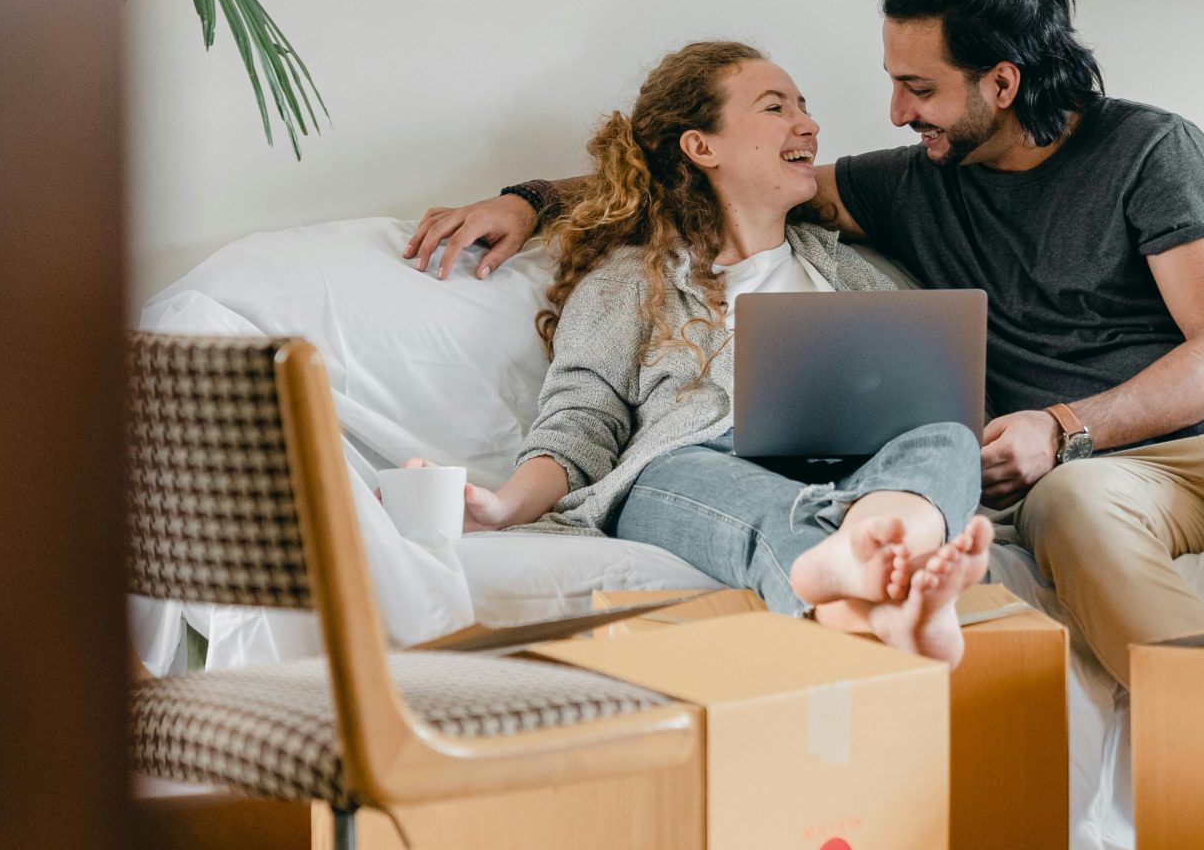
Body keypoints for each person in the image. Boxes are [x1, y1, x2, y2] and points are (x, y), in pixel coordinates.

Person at [406, 0, 1204, 688]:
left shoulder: (1151, 153)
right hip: (1101, 485)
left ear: (1002, 84)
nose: (888, 111)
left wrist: (1059, 427)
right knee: (1065, 514)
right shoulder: (900, 184)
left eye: (917, 88)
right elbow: (682, 192)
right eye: (889, 82)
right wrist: (530, 199)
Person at [416, 39, 995, 665]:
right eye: (775, 108)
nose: (809, 123)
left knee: (946, 435)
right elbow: (579, 425)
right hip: (691, 473)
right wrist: (502, 506)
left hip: (848, 475)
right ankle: (872, 580)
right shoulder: (630, 280)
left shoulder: (844, 271)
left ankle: (878, 559)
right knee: (676, 468)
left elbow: (924, 403)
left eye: (803, 106)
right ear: (701, 147)